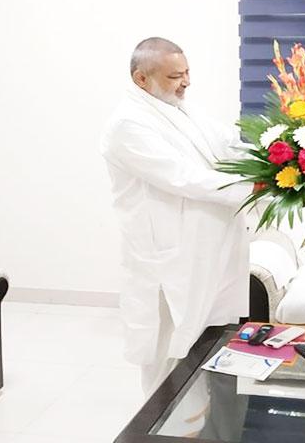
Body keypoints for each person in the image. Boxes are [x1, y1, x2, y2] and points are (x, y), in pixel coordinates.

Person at [101, 37, 257, 395]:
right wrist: (252, 188)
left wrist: (278, 152)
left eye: (187, 73)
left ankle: (196, 418)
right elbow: (183, 177)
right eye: (175, 76)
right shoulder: (128, 124)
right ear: (142, 79)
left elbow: (227, 141)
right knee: (167, 351)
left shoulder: (178, 108)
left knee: (202, 346)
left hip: (203, 250)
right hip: (166, 257)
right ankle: (156, 427)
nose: (186, 82)